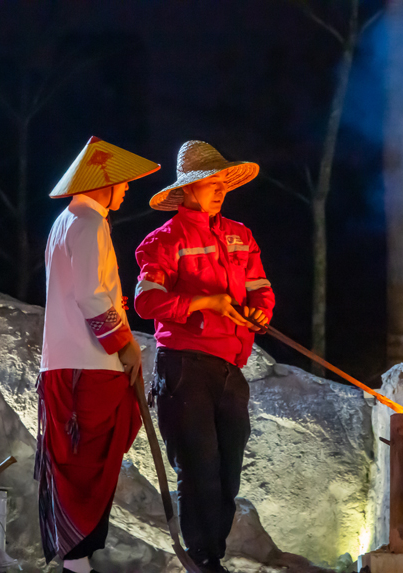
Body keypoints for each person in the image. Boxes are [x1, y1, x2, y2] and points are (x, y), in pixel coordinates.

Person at [134, 140, 275, 573]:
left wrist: (259, 312)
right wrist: (201, 303)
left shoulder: (241, 235)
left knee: (228, 469)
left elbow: (260, 289)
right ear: (187, 190)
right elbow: (146, 301)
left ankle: (212, 553)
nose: (218, 190)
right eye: (208, 183)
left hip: (231, 367)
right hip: (183, 369)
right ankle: (204, 558)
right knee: (198, 468)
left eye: (221, 182)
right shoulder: (162, 241)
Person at [35, 137, 159, 573]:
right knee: (88, 467)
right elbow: (92, 295)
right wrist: (124, 344)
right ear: (103, 182)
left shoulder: (64, 222)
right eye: (122, 182)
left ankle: (78, 562)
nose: (126, 190)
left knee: (79, 466)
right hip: (87, 368)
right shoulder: (88, 222)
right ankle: (78, 563)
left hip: (67, 365)